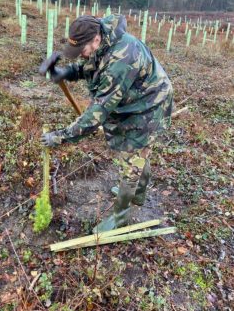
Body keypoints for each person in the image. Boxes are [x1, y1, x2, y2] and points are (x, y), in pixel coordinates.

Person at [40, 14, 173, 233]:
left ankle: (120, 216)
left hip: (149, 104)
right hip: (131, 98)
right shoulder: (103, 40)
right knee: (137, 153)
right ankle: (138, 192)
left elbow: (97, 113)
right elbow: (90, 67)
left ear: (95, 39)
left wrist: (60, 135)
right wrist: (67, 72)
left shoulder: (120, 60)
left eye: (82, 49)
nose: (81, 55)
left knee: (132, 156)